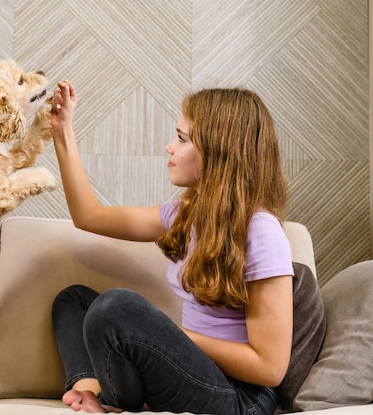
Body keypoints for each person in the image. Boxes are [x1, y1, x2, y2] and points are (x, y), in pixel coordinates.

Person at [49, 82, 294, 415]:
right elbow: (88, 216)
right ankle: (90, 392)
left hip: (241, 399)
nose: (168, 147)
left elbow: (270, 369)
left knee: (115, 307)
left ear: (218, 151)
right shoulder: (185, 215)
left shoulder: (261, 231)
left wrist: (174, 335)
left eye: (181, 139)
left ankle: (110, 399)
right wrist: (63, 131)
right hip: (195, 375)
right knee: (74, 300)